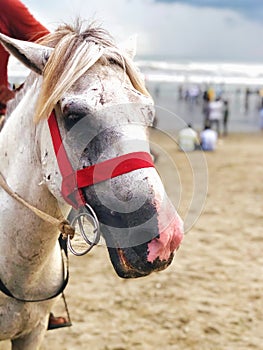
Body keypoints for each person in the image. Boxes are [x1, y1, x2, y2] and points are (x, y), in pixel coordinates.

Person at [0, 0, 70, 329]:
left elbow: (49, 48)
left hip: (1, 121)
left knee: (39, 196)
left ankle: (45, 300)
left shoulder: (5, 6)